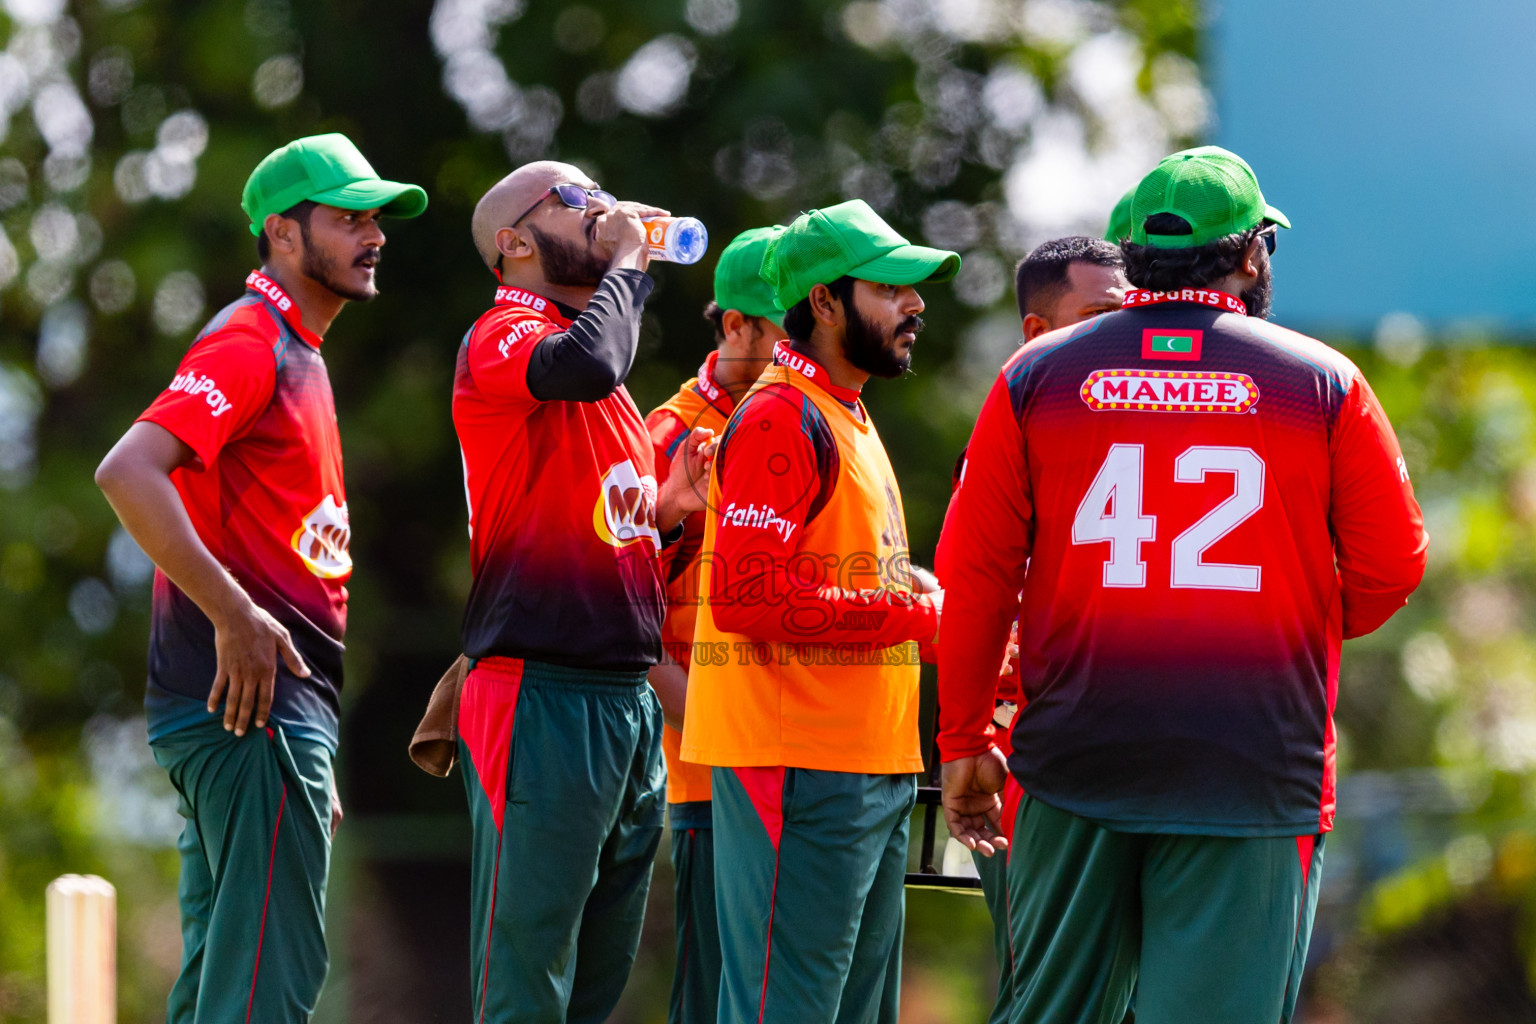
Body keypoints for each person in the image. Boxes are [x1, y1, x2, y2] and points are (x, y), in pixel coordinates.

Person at [937, 145, 1429, 1024]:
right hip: (1249, 768)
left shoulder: (1035, 376)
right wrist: (1282, 625)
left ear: (1135, 255)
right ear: (1249, 256)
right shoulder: (1322, 382)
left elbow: (974, 574)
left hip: (1070, 760)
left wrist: (965, 731)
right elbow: (1394, 568)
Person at [95, 133, 426, 1022]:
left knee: (221, 979)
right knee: (266, 983)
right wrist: (236, 618)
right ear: (282, 233)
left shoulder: (296, 350)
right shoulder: (251, 343)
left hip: (267, 723)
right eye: (348, 217)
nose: (374, 234)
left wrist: (308, 734)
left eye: (377, 219)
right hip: (247, 714)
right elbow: (127, 472)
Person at [680, 199, 958, 1023]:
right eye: (891, 286)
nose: (914, 304)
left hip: (861, 763)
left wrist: (936, 607)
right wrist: (915, 617)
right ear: (826, 303)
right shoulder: (779, 415)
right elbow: (745, 598)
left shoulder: (847, 414)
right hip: (796, 765)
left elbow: (853, 579)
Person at [451, 161, 714, 1024]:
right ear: (515, 242)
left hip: (622, 702)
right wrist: (632, 260)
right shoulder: (502, 334)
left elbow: (609, 538)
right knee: (528, 977)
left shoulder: (611, 391)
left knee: (596, 983)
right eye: (578, 201)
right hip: (540, 693)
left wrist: (669, 518)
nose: (603, 211)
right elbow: (587, 362)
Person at [945, 233, 1130, 1024]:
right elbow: (974, 595)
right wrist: (970, 743)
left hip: (1115, 751)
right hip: (1032, 751)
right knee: (1045, 993)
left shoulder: (1127, 423)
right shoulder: (1018, 427)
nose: (1116, 336)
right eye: (1097, 317)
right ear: (1033, 333)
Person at [643, 225, 788, 1024]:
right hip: (709, 778)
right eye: (781, 330)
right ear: (735, 326)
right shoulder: (670, 433)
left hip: (792, 759)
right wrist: (717, 726)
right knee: (713, 997)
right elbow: (618, 617)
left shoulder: (803, 418)